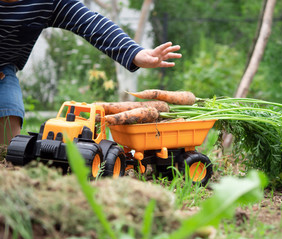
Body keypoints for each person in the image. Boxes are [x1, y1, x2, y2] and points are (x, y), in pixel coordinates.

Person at [0, 0, 182, 145]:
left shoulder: (48, 2)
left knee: (9, 136)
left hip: (3, 69)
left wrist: (135, 53)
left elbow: (91, 23)